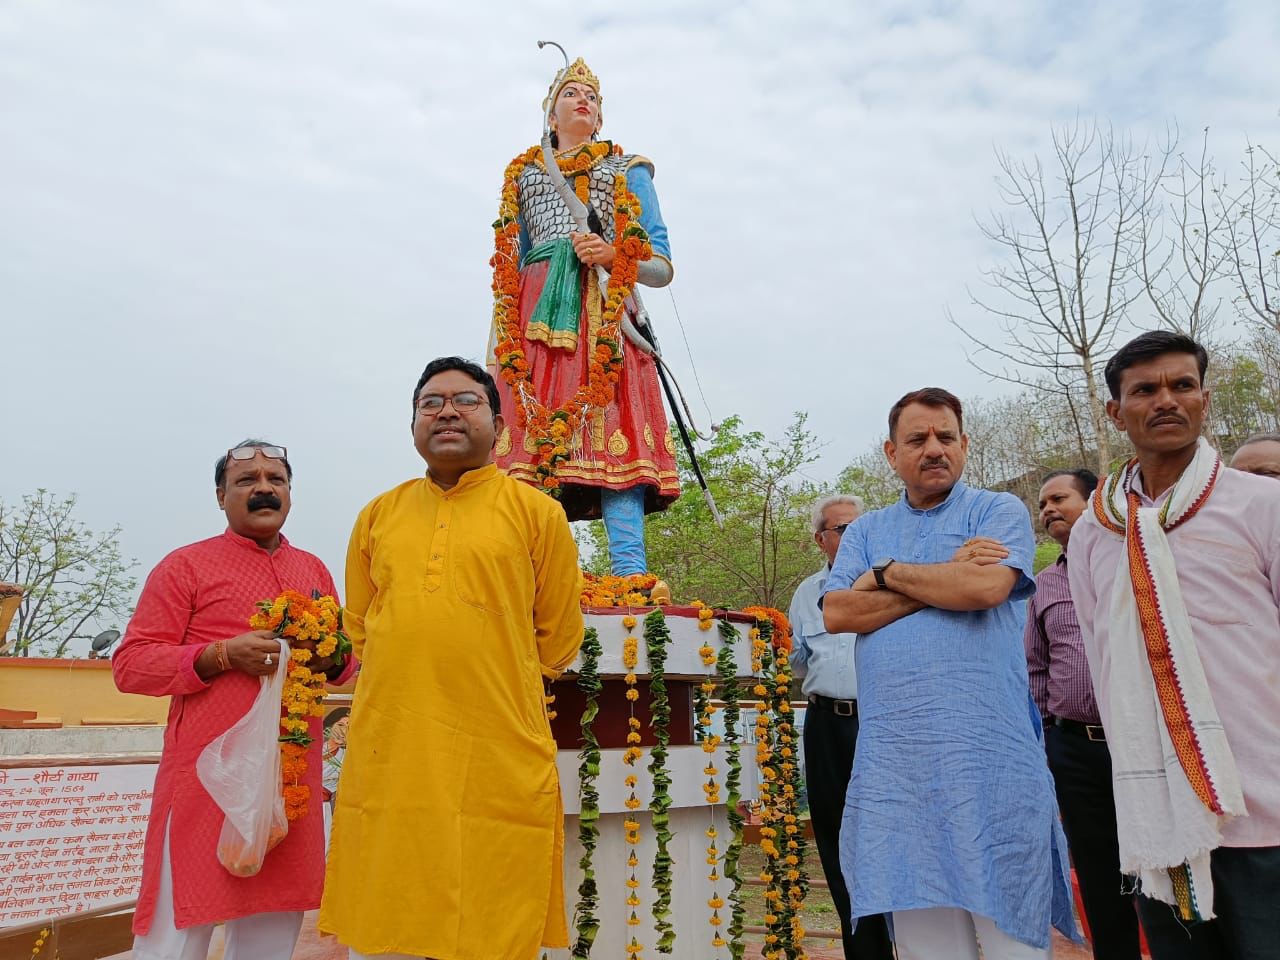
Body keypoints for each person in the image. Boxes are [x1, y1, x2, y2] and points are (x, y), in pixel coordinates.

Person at [319, 356, 585, 960]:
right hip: (394, 745)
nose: (446, 412)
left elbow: (559, 639)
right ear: (413, 424)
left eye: (465, 401)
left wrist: (490, 673)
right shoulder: (378, 515)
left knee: (491, 906)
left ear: (498, 424)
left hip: (496, 744)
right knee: (388, 902)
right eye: (430, 403)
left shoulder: (537, 513)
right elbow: (361, 628)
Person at [823, 387, 1076, 960]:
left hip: (990, 760)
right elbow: (839, 612)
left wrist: (885, 574)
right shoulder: (865, 530)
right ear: (892, 453)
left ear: (965, 444)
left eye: (946, 436)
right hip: (900, 770)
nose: (934, 448)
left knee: (1013, 941)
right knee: (926, 943)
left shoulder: (996, 511)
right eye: (917, 439)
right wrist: (944, 575)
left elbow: (985, 587)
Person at [1068, 331, 1280, 959]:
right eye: (1145, 390)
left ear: (1204, 400)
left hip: (1266, 810)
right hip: (1157, 818)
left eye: (1182, 385)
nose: (1166, 400)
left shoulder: (1263, 505)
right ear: (1116, 412)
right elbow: (1102, 660)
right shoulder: (1095, 530)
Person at [113, 440, 355, 960]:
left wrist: (331, 656)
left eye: (276, 479)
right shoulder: (186, 566)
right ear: (221, 496)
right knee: (176, 933)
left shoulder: (313, 570)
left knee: (273, 929)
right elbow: (131, 665)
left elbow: (346, 664)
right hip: (207, 784)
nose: (264, 488)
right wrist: (220, 655)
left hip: (290, 782)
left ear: (290, 493)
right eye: (246, 480)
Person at [489, 55, 678, 575]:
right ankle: (534, 576)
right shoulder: (524, 175)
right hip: (533, 320)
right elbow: (509, 268)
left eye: (592, 96)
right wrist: (497, 350)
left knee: (617, 438)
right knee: (531, 450)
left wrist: (614, 256)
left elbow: (661, 265)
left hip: (606, 318)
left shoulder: (627, 170)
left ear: (600, 117)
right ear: (551, 114)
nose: (583, 100)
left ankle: (629, 574)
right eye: (570, 93)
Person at [1025, 468, 1141, 960]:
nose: (1048, 510)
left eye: (1058, 499)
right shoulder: (1043, 585)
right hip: (1073, 748)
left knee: (1161, 866)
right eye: (1043, 505)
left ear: (1094, 500)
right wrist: (1046, 745)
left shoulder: (1135, 564)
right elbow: (1036, 669)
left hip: (1141, 744)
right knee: (1097, 872)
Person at [789, 494, 893, 960]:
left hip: (882, 722)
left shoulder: (890, 580)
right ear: (821, 539)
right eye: (842, 529)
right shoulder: (806, 593)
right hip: (825, 725)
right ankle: (864, 951)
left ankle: (909, 942)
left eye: (858, 526)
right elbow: (798, 662)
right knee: (834, 836)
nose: (853, 535)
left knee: (889, 832)